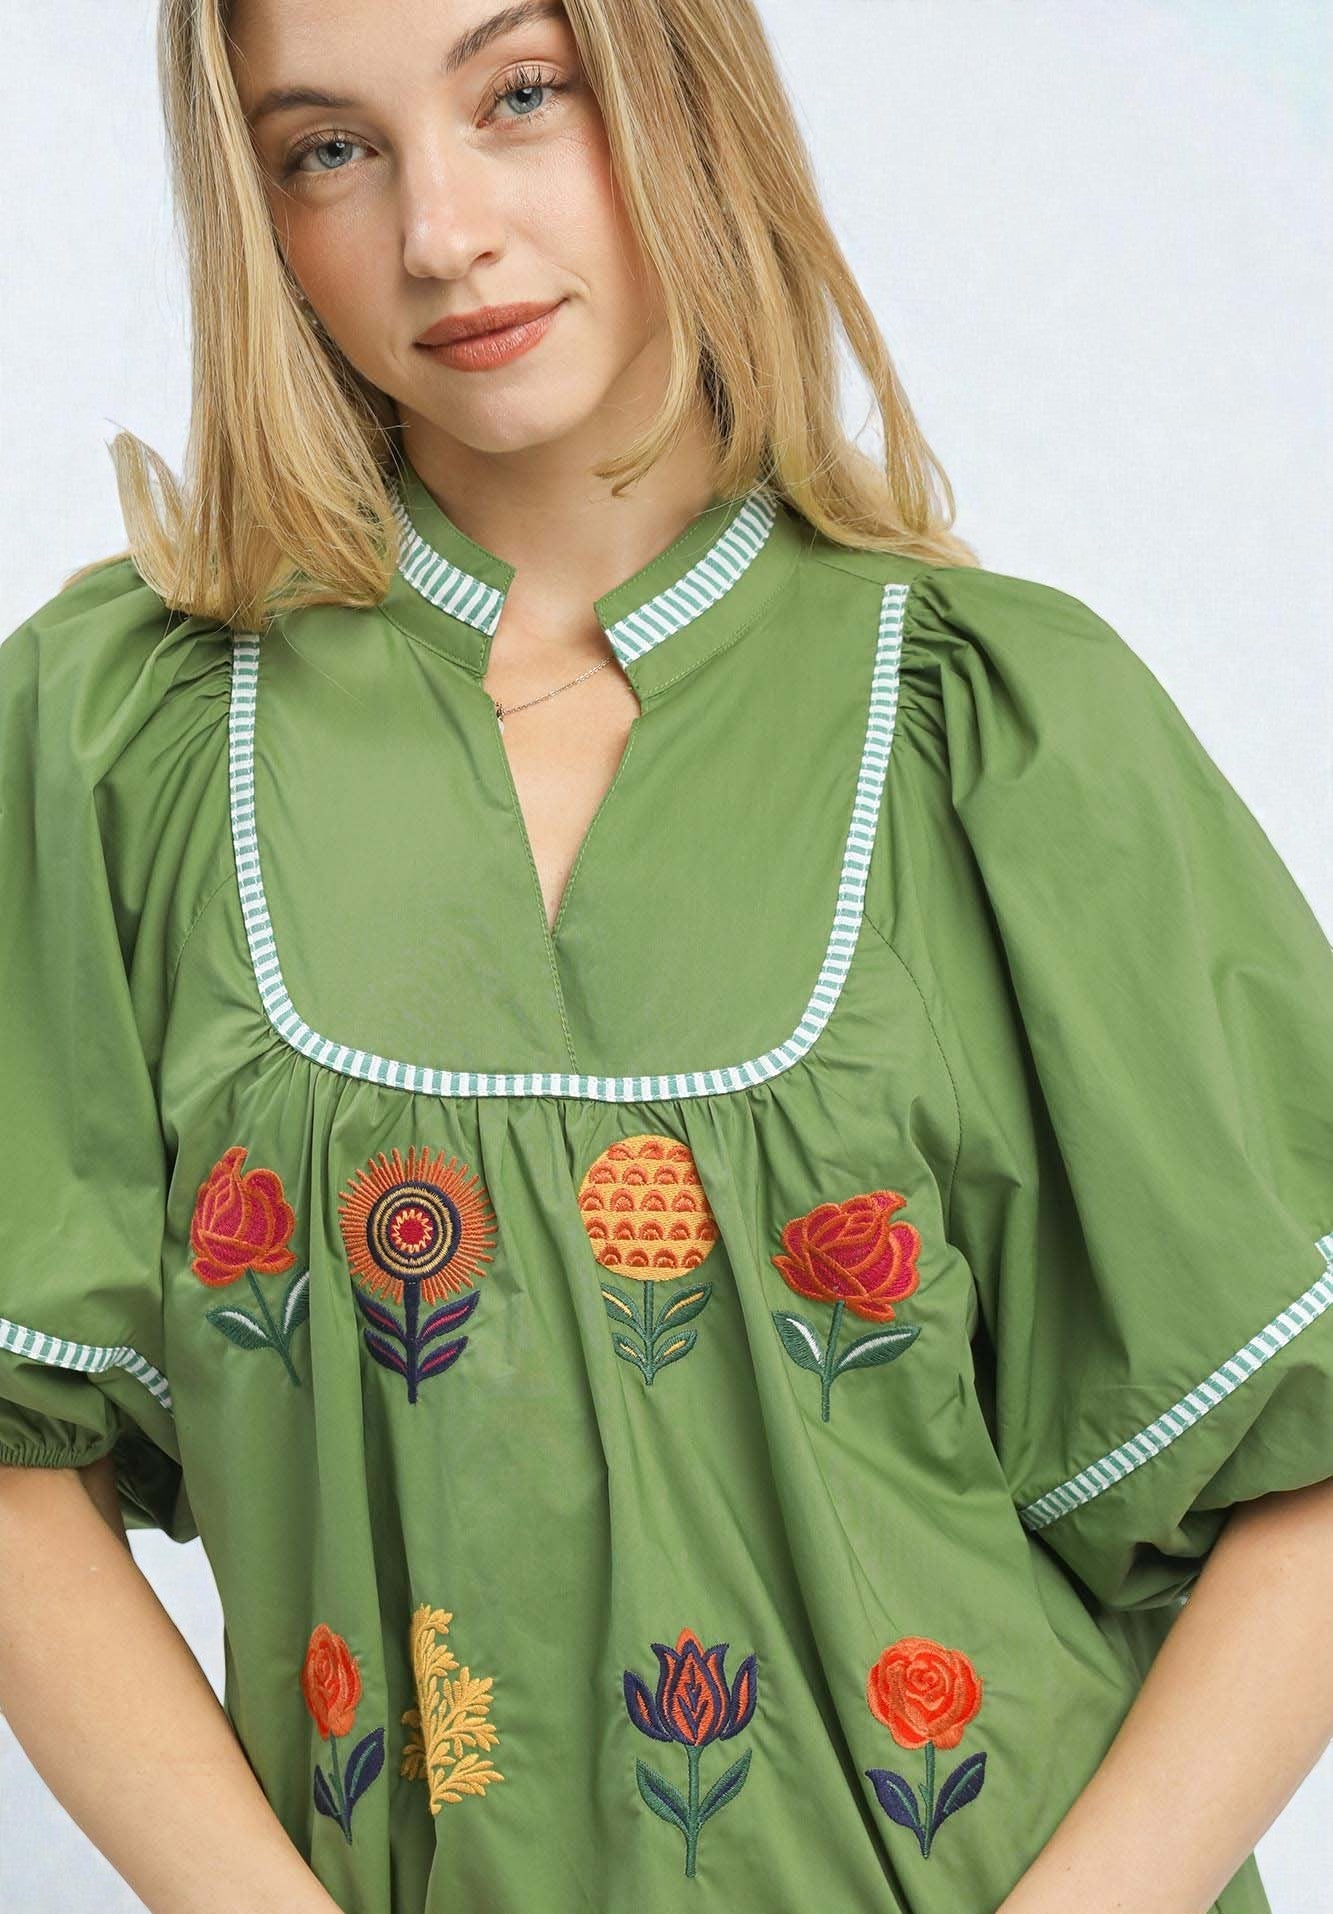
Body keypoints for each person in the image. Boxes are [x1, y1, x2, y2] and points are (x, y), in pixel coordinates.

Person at [1, 2, 1330, 1911]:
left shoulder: (997, 723)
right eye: (328, 149)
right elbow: (14, 1462)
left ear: (683, 93)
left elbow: (1301, 1472)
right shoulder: (120, 735)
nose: (439, 230)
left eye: (519, 95)